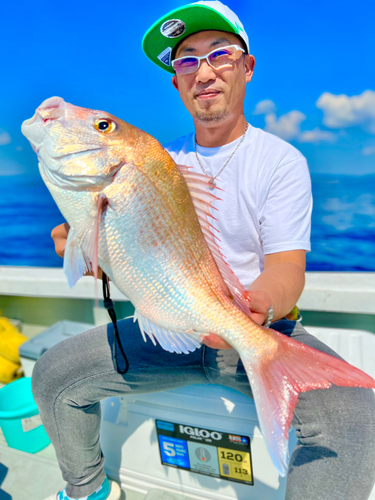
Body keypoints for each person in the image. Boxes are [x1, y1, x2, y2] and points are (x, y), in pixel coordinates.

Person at [33, 2, 375, 500]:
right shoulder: (161, 161)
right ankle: (87, 490)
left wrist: (254, 313)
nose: (204, 71)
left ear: (247, 67)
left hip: (257, 328)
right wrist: (86, 249)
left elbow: (286, 269)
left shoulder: (281, 161)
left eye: (220, 54)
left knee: (354, 421)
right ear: (176, 82)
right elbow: (133, 261)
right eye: (187, 61)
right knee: (53, 374)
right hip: (165, 325)